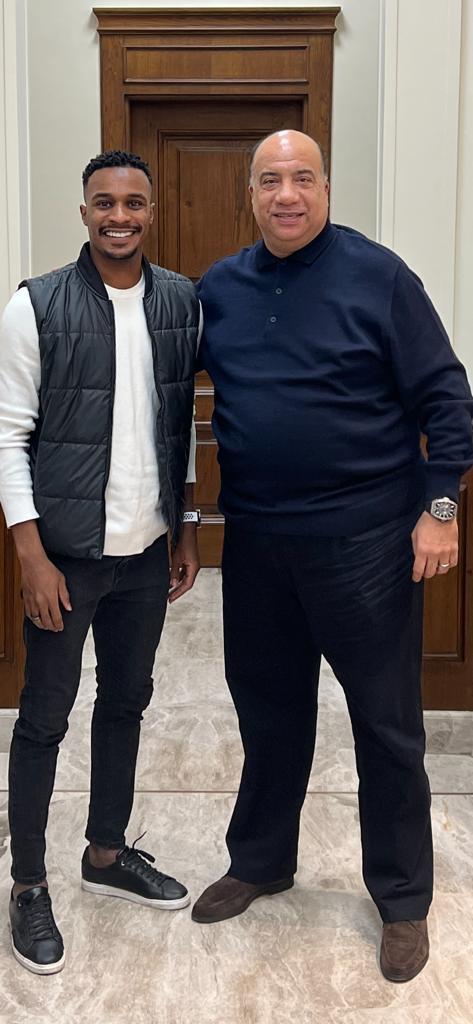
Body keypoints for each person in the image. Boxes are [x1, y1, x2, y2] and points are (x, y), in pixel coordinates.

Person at [191, 130, 473, 982]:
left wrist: (439, 510)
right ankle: (260, 861)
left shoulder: (379, 277)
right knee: (268, 713)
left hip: (366, 546)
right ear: (249, 194)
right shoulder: (220, 289)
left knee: (385, 727)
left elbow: (446, 398)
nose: (287, 194)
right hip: (256, 544)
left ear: (324, 188)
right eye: (270, 180)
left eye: (302, 178)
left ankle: (402, 899)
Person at [0, 150, 201, 975]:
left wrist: (185, 528)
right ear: (83, 211)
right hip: (66, 558)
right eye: (104, 202)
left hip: (145, 554)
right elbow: (9, 436)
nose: (120, 216)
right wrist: (30, 554)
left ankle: (107, 853)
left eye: (134, 202)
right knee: (44, 718)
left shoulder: (181, 302)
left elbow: (181, 426)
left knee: (125, 704)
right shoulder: (35, 304)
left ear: (151, 211)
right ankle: (27, 884)